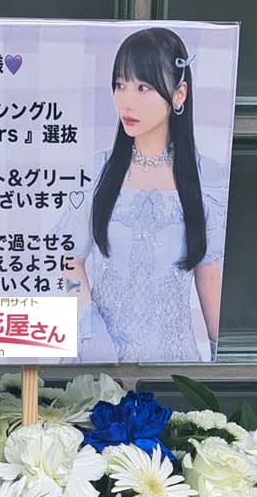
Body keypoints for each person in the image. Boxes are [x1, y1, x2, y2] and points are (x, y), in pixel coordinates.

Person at [62, 26, 227, 363]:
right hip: (101, 362)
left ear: (179, 94)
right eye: (120, 85)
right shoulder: (98, 171)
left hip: (174, 363)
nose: (127, 101)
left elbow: (209, 272)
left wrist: (221, 359)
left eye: (143, 87)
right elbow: (67, 257)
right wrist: (88, 327)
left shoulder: (206, 178)